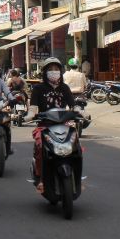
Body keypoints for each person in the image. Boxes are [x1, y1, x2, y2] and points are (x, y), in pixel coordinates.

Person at [27, 57, 75, 193]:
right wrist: (31, 114)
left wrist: (79, 111)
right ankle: (41, 179)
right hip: (45, 126)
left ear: (60, 71)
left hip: (64, 125)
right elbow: (34, 106)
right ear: (45, 72)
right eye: (50, 69)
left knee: (75, 146)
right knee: (41, 146)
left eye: (56, 69)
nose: (54, 72)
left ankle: (75, 178)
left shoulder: (65, 88)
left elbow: (73, 105)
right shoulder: (38, 88)